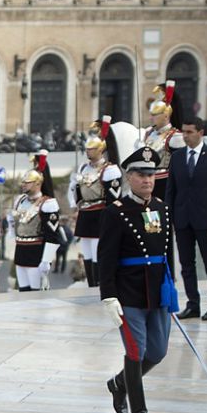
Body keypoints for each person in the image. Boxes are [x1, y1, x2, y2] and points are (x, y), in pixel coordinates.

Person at [99, 146, 176, 413]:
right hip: (128, 291)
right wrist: (108, 296)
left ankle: (119, 384)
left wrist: (171, 286)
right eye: (141, 175)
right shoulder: (116, 213)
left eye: (151, 175)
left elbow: (167, 252)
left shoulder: (161, 208)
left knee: (157, 352)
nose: (148, 180)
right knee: (135, 350)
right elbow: (106, 257)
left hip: (156, 291)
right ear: (128, 177)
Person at [165, 117, 207, 321]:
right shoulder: (177, 157)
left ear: (200, 132)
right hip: (182, 220)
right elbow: (171, 191)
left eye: (190, 132)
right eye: (184, 131)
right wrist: (169, 218)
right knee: (186, 264)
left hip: (206, 221)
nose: (185, 136)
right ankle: (193, 305)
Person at [67, 116, 122, 287]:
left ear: (100, 149)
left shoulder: (110, 170)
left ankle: (101, 283)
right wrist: (74, 202)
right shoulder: (83, 168)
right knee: (87, 253)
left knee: (99, 251)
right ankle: (91, 283)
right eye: (87, 149)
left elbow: (114, 197)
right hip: (85, 212)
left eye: (91, 149)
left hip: (100, 213)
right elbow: (75, 191)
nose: (88, 152)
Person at [9, 151, 61, 291]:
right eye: (23, 182)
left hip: (36, 254)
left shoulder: (47, 204)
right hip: (20, 253)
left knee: (36, 295)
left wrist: (46, 260)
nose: (24, 185)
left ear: (38, 183)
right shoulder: (20, 200)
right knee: (23, 293)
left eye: (27, 182)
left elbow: (52, 235)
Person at [138, 80, 185, 202]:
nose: (151, 118)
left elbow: (180, 170)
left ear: (166, 115)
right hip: (145, 182)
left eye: (155, 114)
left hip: (164, 184)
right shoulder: (148, 133)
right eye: (151, 114)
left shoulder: (175, 137)